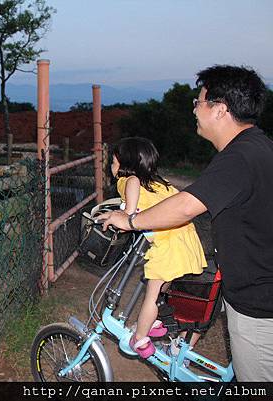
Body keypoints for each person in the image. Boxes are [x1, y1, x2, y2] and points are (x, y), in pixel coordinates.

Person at [99, 65, 272, 381]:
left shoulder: (239, 157)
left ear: (219, 110)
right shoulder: (259, 146)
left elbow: (185, 206)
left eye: (199, 101)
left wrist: (132, 220)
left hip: (258, 306)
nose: (194, 108)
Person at [109, 137, 206, 358]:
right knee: (163, 288)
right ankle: (154, 322)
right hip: (187, 241)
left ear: (126, 165)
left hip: (168, 248)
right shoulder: (161, 183)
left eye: (114, 163)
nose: (112, 168)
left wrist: (127, 214)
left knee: (151, 295)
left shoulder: (127, 181)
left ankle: (141, 339)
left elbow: (131, 199)